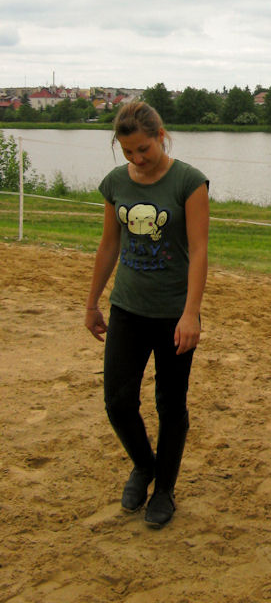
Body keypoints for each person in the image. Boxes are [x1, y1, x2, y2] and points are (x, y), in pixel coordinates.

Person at [84, 101, 209, 529]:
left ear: (161, 136)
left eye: (144, 149)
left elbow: (199, 252)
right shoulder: (115, 183)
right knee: (118, 402)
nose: (137, 159)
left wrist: (191, 314)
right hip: (127, 308)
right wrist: (92, 303)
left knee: (170, 405)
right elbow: (108, 245)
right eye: (128, 151)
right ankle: (143, 465)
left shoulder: (189, 182)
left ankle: (164, 489)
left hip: (174, 312)